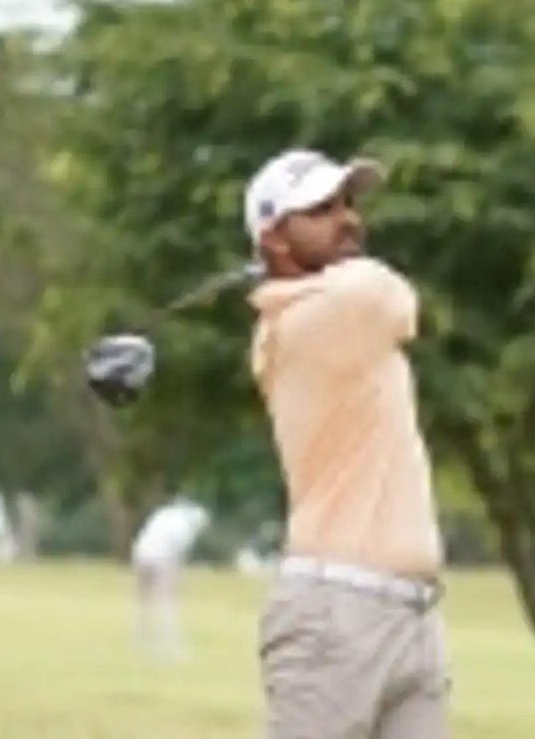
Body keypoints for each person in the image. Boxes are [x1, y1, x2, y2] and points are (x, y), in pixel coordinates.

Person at [243, 148, 451, 738]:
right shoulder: (334, 310)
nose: (348, 220)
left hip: (412, 615)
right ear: (274, 237)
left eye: (347, 204)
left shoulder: (315, 309)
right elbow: (393, 295)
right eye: (320, 211)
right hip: (335, 616)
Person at [130, 496, 211, 660]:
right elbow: (178, 553)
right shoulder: (185, 527)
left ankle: (139, 637)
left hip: (141, 553)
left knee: (143, 600)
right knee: (166, 601)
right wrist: (176, 576)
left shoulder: (163, 513)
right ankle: (168, 644)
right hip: (162, 557)